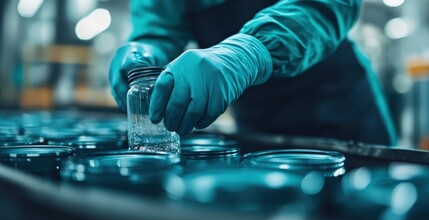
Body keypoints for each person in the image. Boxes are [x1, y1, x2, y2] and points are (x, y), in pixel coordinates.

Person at [110, 0, 396, 145]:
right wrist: (147, 48)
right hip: (258, 126)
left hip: (342, 116)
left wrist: (251, 52)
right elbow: (159, 23)